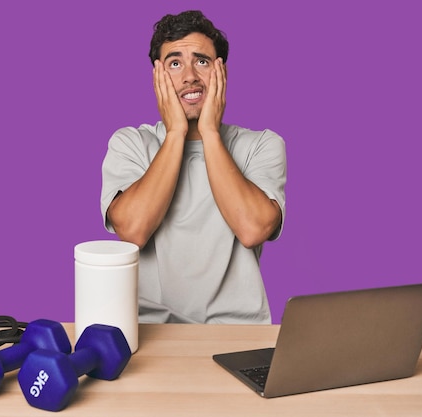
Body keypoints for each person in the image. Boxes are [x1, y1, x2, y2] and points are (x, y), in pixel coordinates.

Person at [100, 10, 286, 324]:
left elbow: (253, 229)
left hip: (238, 331)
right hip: (151, 332)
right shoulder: (130, 143)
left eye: (201, 61)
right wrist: (175, 134)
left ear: (221, 72)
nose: (190, 77)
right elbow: (133, 231)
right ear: (157, 76)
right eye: (175, 63)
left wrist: (210, 133)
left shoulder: (262, 145)